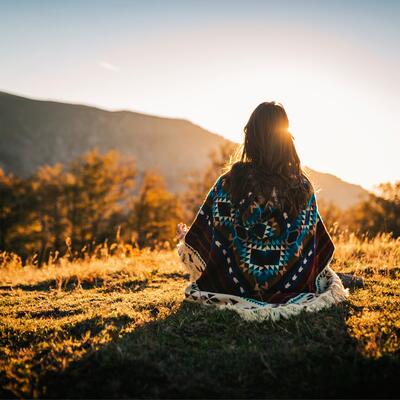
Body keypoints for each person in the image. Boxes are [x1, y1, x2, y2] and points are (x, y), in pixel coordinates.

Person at [176, 102, 358, 321]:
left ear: (250, 138)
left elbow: (206, 244)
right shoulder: (301, 187)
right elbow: (313, 246)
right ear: (285, 140)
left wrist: (188, 238)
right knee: (326, 276)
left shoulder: (228, 184)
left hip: (233, 290)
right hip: (294, 288)